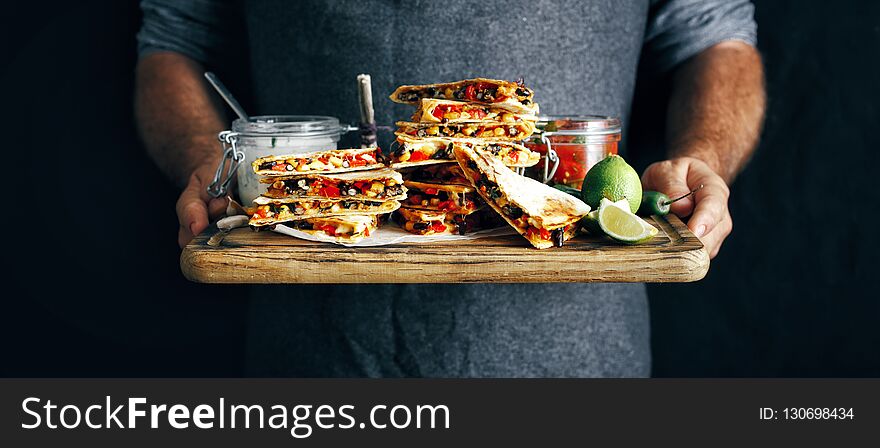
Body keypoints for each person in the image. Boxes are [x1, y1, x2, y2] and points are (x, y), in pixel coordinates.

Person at [135, 0, 765, 377]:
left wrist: (700, 157)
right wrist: (212, 164)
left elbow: (714, 32)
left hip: (573, 358)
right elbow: (173, 39)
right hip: (311, 358)